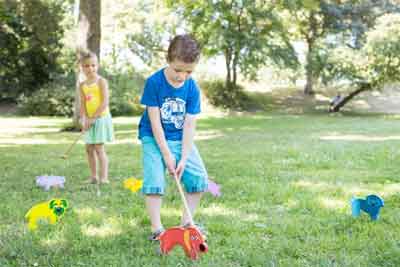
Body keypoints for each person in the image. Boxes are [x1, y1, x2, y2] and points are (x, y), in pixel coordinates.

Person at [138, 34, 208, 240]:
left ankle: (187, 223)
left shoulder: (192, 87)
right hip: (153, 136)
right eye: (178, 69)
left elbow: (189, 125)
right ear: (168, 60)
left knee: (199, 178)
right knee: (155, 179)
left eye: (189, 71)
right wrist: (167, 154)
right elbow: (155, 121)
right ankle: (157, 229)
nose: (182, 76)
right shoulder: (154, 82)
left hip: (180, 137)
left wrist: (184, 158)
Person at [79, 51, 114, 184]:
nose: (90, 69)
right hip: (89, 119)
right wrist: (85, 119)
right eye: (87, 66)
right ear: (82, 68)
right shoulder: (82, 85)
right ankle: (94, 176)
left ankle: (104, 178)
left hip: (101, 118)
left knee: (99, 147)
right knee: (88, 148)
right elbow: (83, 104)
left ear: (97, 66)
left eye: (93, 65)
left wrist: (93, 118)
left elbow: (105, 102)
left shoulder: (101, 81)